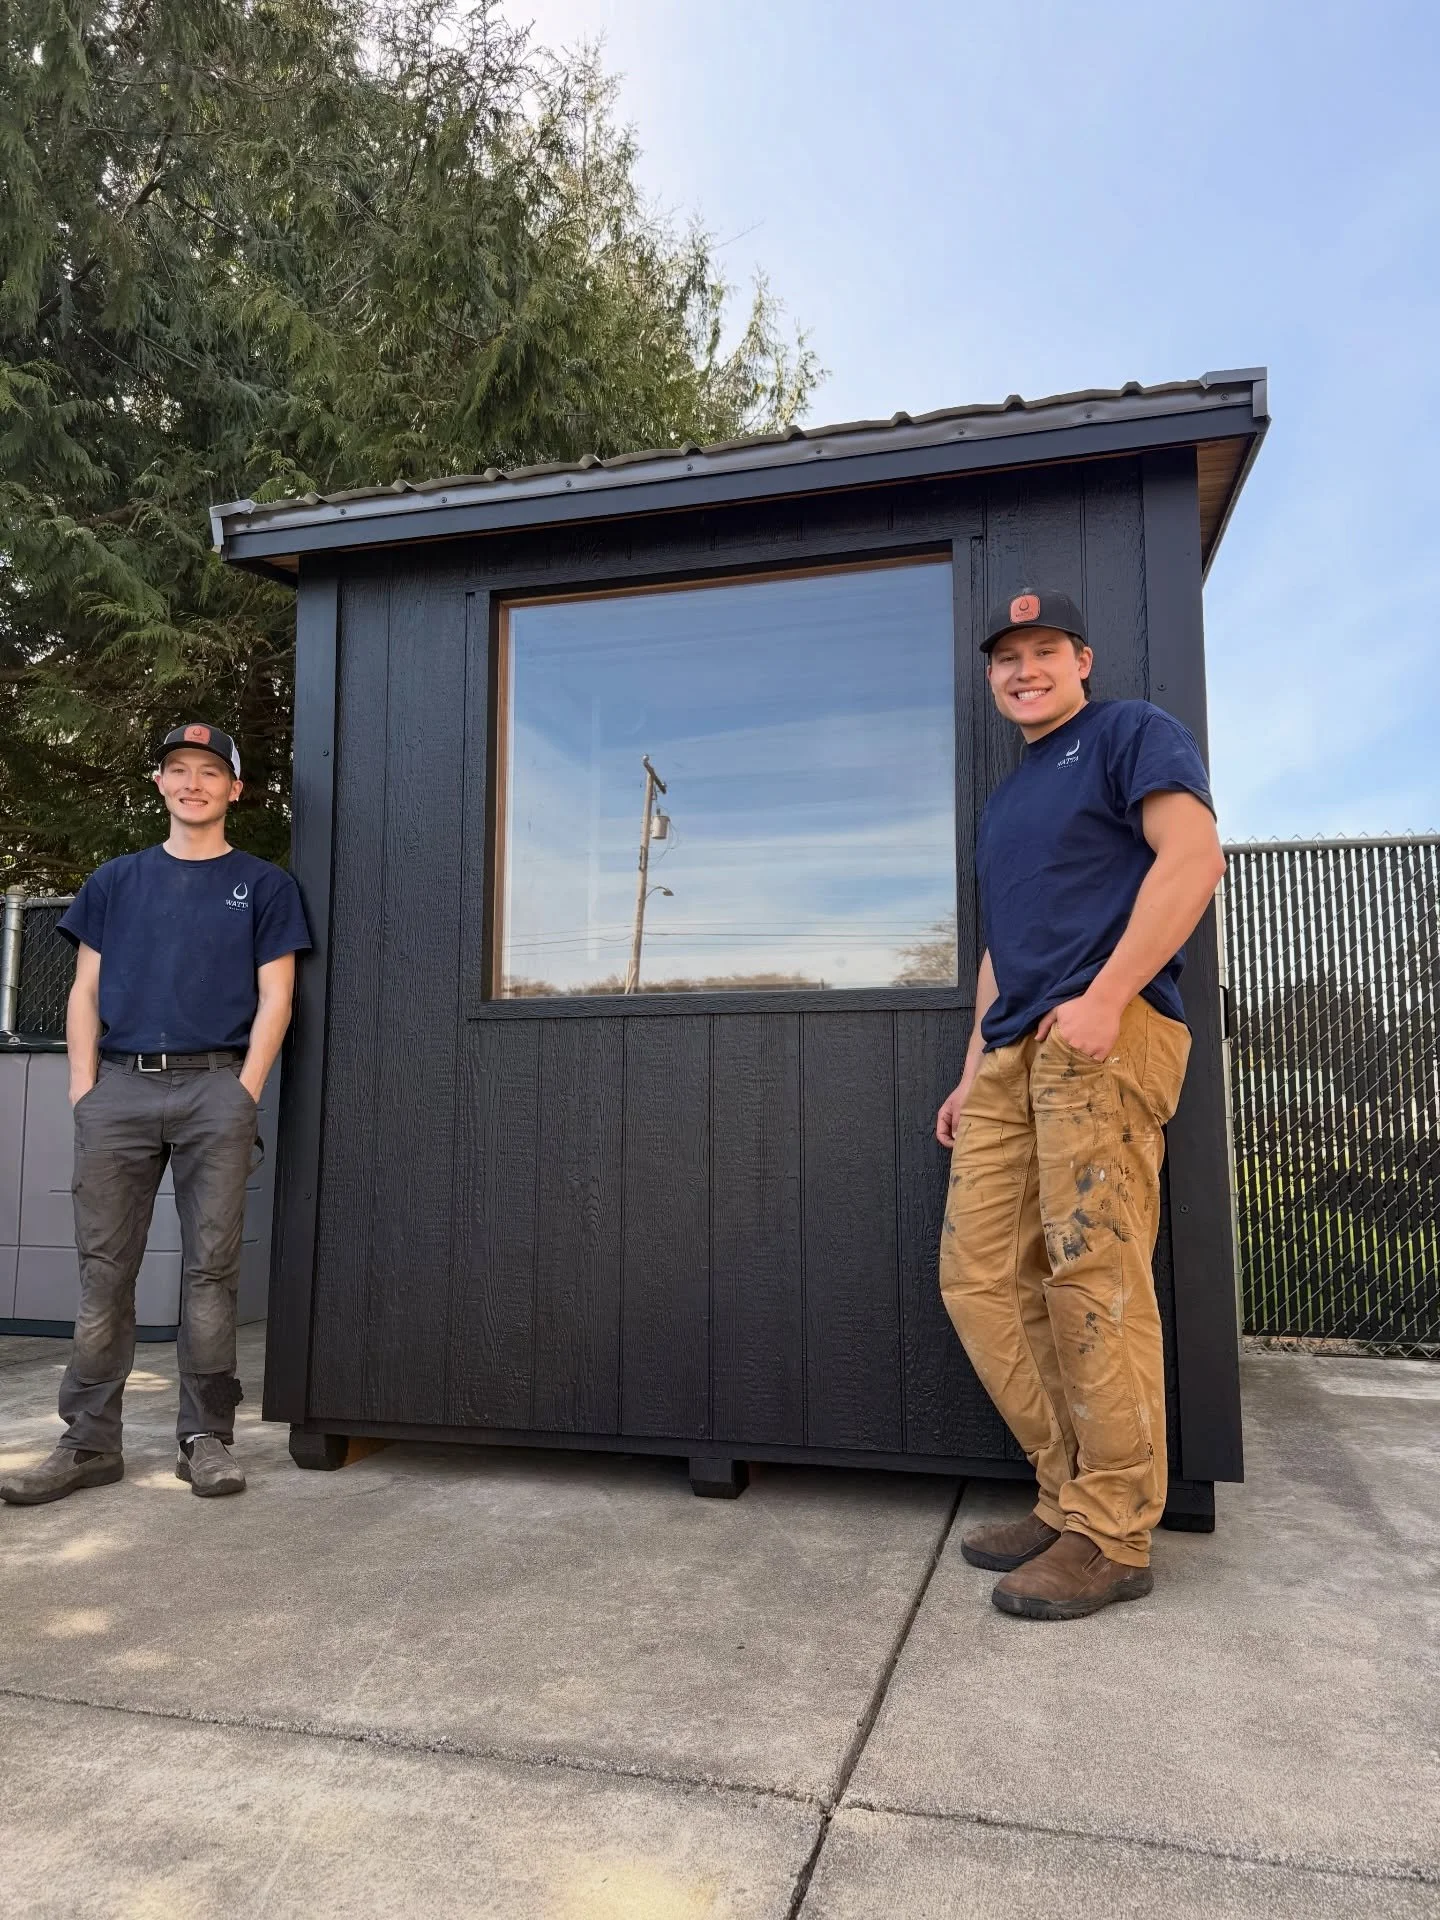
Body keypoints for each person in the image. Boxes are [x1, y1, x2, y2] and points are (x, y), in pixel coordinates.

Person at [935, 590, 1225, 1620]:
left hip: (1107, 1030)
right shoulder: (1009, 800)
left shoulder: (1132, 733)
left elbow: (1193, 857)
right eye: (1007, 658)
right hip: (1017, 1052)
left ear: (1083, 660)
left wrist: (1106, 997)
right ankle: (1067, 1496)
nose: (1025, 670)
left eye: (1045, 651)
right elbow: (1000, 948)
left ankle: (1113, 1532)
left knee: (1092, 1277)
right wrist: (976, 1068)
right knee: (979, 1278)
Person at [0, 724, 310, 1505]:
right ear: (161, 783)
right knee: (104, 1274)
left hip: (217, 1090)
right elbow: (84, 991)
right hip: (119, 1091)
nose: (193, 783)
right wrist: (83, 1086)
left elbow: (278, 994)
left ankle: (204, 1438)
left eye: (211, 772)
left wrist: (245, 1087)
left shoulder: (265, 886)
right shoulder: (115, 881)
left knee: (211, 1273)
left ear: (235, 789)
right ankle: (88, 1443)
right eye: (179, 770)